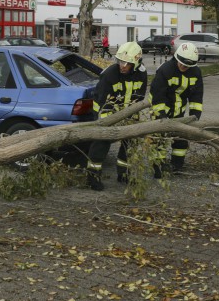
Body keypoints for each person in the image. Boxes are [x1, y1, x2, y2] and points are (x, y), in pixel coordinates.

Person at [86, 41, 148, 190]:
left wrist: (131, 116)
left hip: (129, 113)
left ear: (136, 63)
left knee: (130, 143)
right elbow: (102, 102)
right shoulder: (109, 75)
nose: (123, 66)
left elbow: (138, 98)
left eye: (127, 63)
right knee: (102, 143)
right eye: (121, 61)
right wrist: (108, 121)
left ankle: (123, 173)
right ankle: (92, 177)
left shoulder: (142, 74)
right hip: (106, 113)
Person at [149, 41, 204, 175]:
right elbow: (158, 96)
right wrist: (161, 116)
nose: (184, 67)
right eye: (182, 64)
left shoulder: (195, 72)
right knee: (159, 140)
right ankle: (157, 167)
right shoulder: (165, 70)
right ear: (177, 58)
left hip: (179, 110)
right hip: (161, 108)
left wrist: (194, 116)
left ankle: (177, 166)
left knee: (181, 139)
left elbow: (196, 97)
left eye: (187, 65)